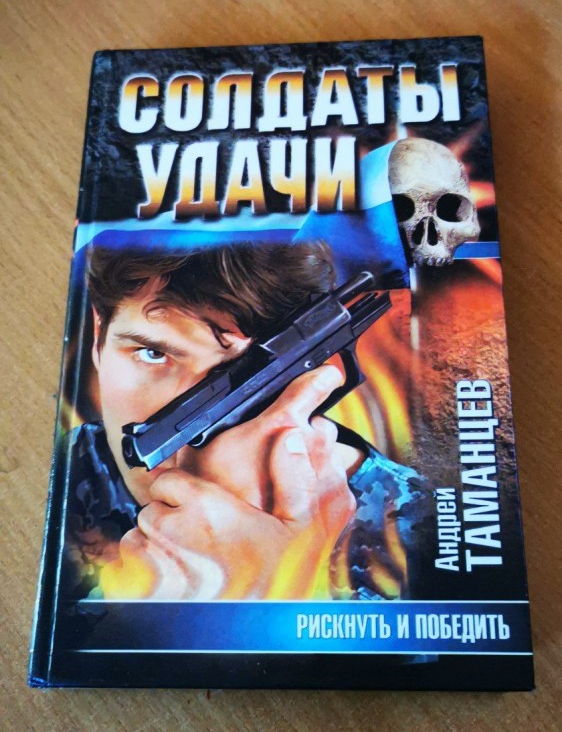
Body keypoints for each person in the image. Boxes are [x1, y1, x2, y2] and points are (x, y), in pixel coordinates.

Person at [63, 241, 427, 602]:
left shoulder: (421, 526)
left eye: (233, 375)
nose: (181, 424)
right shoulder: (66, 470)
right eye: (152, 354)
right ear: (98, 338)